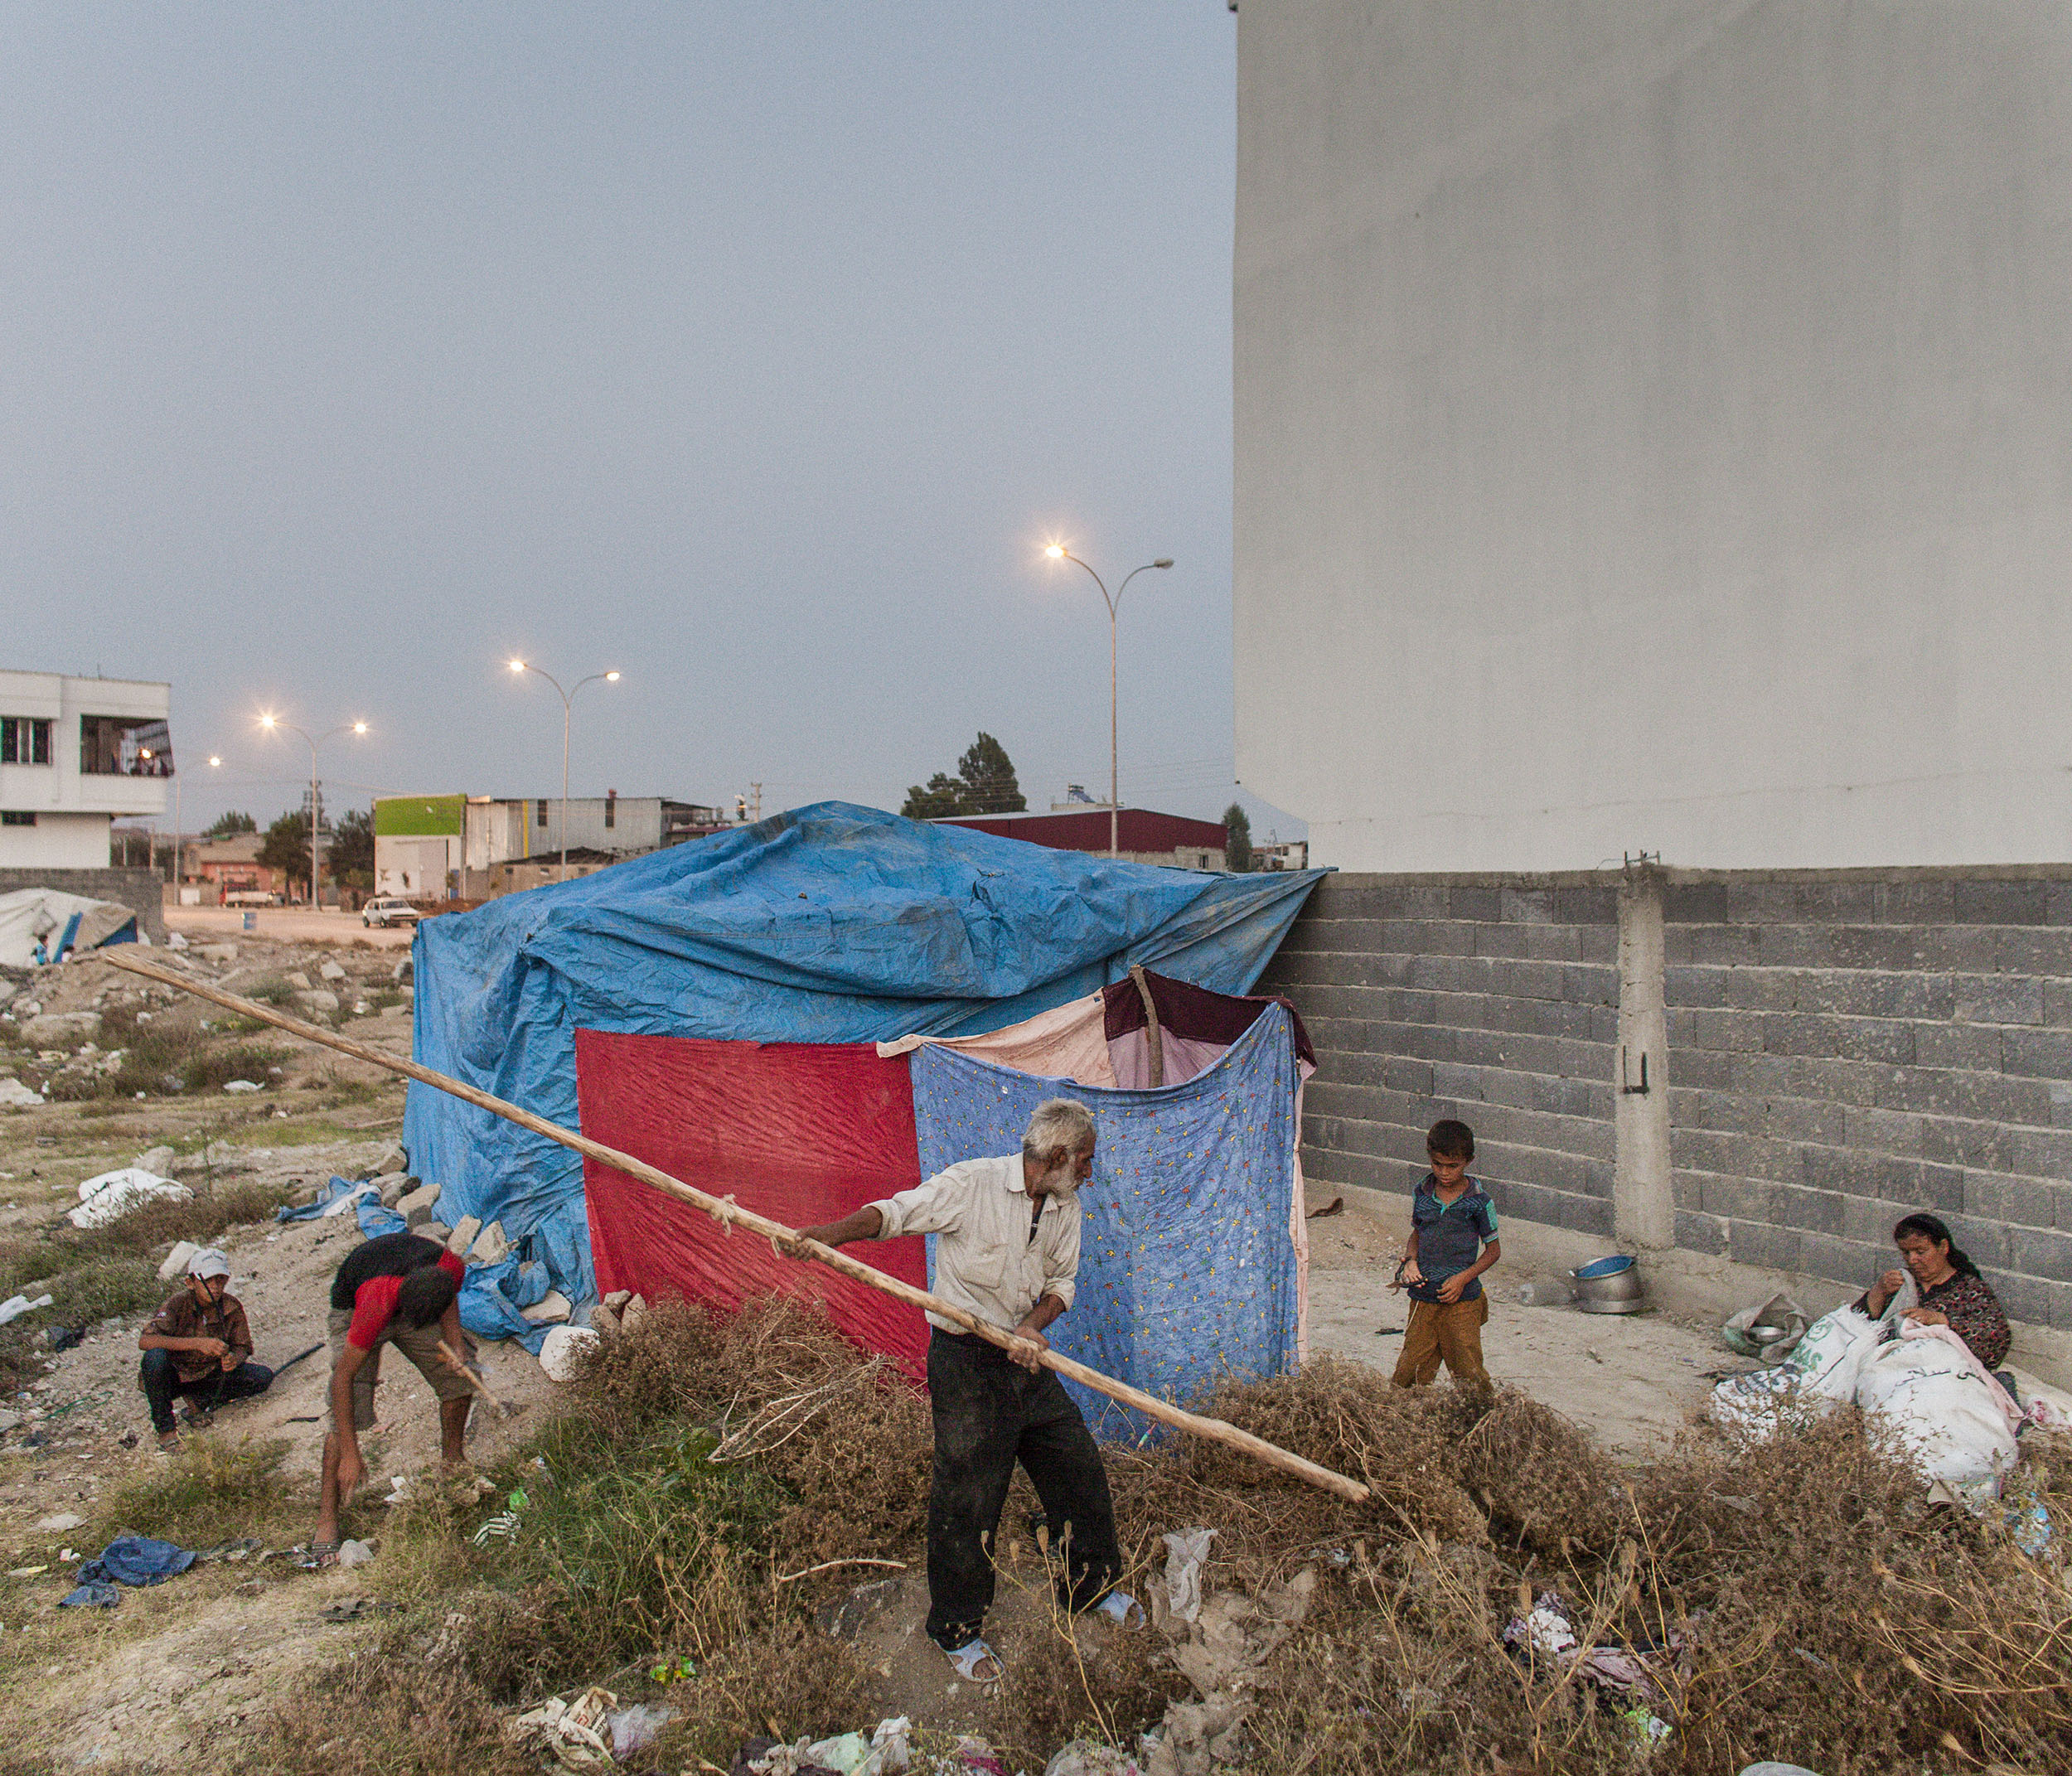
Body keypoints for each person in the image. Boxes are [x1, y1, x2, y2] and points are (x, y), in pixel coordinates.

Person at [794, 1096, 1132, 1683]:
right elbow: (893, 1214)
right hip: (967, 1362)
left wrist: (1032, 1326)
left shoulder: (1064, 1206)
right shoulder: (972, 1185)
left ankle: (1091, 1588)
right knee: (968, 1498)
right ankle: (956, 1629)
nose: (1088, 1173)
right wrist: (828, 1235)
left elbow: (1061, 1283)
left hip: (1022, 1358)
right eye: (1083, 1161)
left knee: (1076, 1465)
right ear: (1055, 1155)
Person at [313, 1229, 473, 1556]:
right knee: (345, 1415)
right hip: (356, 1308)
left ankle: (453, 1464)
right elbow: (342, 1379)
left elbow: (448, 1299)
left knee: (459, 1381)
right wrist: (352, 1453)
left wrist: (455, 1342)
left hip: (415, 1296)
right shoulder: (376, 1301)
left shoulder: (450, 1267)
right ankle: (326, 1518)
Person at [1391, 1119, 1501, 1400]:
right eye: (1437, 1164)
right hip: (1424, 1296)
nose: (1444, 1172)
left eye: (1453, 1166)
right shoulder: (1423, 1193)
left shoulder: (1479, 1201)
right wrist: (1411, 1262)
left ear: (1469, 1161)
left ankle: (1482, 1421)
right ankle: (1403, 1418)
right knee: (1410, 1371)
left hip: (1462, 1301)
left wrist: (1462, 1279)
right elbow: (1417, 1233)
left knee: (1469, 1371)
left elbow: (1493, 1251)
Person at [137, 1248, 274, 1452]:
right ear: (190, 1283)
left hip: (208, 1375)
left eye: (220, 1280)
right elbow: (146, 1341)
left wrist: (234, 1359)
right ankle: (166, 1429)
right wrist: (197, 1343)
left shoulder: (231, 1307)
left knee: (261, 1377)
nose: (216, 1287)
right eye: (208, 1281)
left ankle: (198, 1401)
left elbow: (243, 1346)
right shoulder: (177, 1304)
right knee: (154, 1359)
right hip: (175, 1376)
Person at [1857, 1212, 2011, 1372]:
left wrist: (1942, 1320)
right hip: (1889, 1368)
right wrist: (1879, 1292)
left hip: (1943, 1373)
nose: (1912, 1260)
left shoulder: (1971, 1290)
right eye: (1906, 1252)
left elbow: (1997, 1338)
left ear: (1943, 1247)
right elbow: (1854, 1327)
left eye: (1921, 1252)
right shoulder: (1900, 1283)